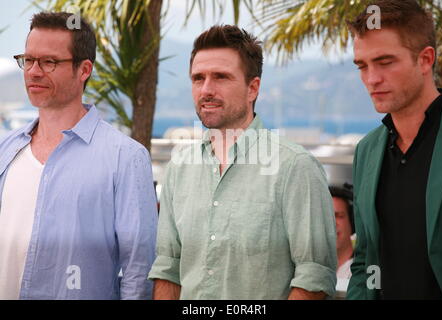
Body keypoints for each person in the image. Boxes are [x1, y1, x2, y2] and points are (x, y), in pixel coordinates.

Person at [148, 25, 337, 300]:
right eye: (198, 78)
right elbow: (168, 268)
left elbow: (314, 278)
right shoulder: (179, 167)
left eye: (221, 77)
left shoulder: (295, 167)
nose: (207, 89)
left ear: (253, 88)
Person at [0, 12, 158, 299]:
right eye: (29, 60)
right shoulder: (6, 149)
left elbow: (138, 271)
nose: (34, 71)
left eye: (49, 62)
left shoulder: (125, 158)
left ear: (84, 70)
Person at [347, 0, 442, 300]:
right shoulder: (367, 150)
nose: (371, 79)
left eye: (385, 62)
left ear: (425, 59)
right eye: (362, 66)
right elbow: (365, 259)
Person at [329, 185, 355, 294]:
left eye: (338, 216)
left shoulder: (364, 270)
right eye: (325, 216)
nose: (332, 223)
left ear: (352, 223)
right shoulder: (307, 270)